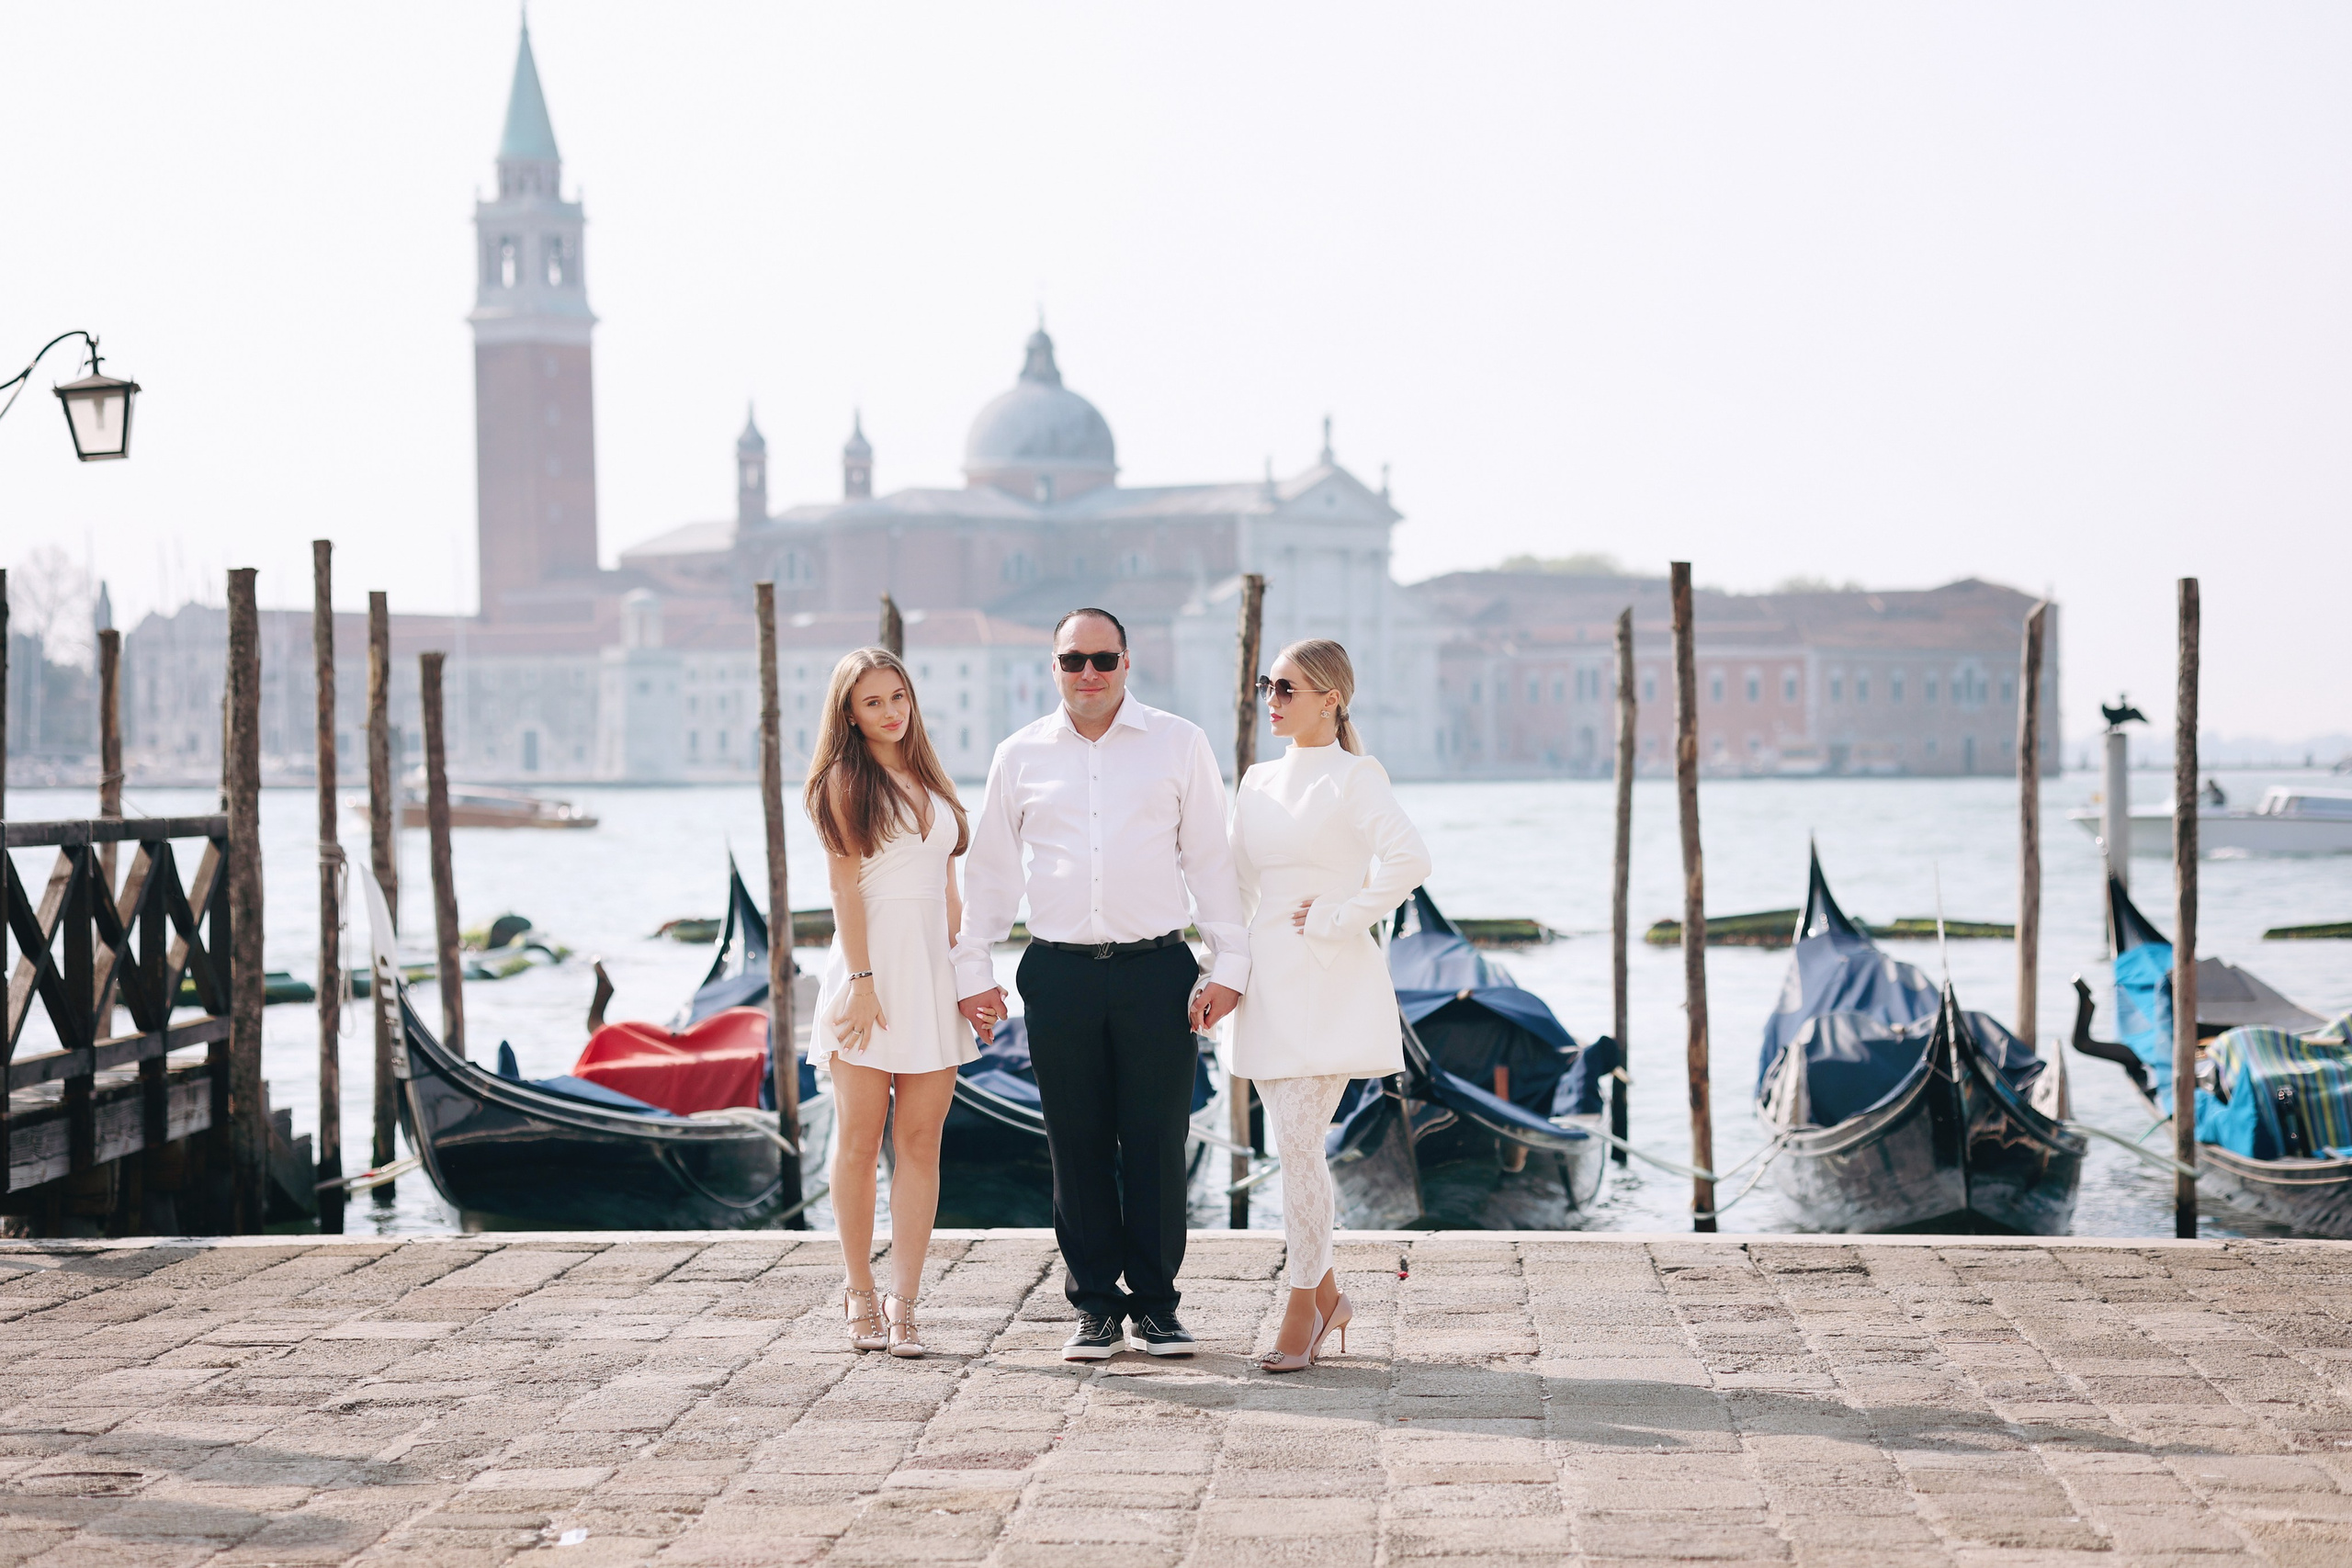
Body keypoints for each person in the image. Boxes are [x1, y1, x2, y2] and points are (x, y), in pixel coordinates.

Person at [954, 608, 1250, 1360]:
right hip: (1058, 972)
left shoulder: (1180, 742)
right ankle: (1094, 1308)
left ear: (1127, 662)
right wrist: (973, 969)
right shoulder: (1018, 754)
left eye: (1103, 659)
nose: (1089, 672)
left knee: (1157, 1141)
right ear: (1054, 666)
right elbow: (990, 873)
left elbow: (1210, 861)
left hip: (1158, 970)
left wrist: (1230, 964)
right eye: (1073, 659)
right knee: (1075, 1143)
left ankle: (1157, 1307)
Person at [1227, 637, 1430, 1372]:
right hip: (1267, 983)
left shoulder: (1355, 776)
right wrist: (1220, 970)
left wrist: (1340, 915)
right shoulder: (1256, 780)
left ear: (1330, 699)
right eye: (1267, 685)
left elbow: (1410, 859)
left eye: (1287, 687)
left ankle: (1301, 1307)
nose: (1272, 700)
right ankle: (1331, 1298)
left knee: (1298, 1145)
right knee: (1291, 1145)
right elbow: (1236, 887)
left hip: (1330, 978)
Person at [805, 647, 974, 1359]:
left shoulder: (930, 777)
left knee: (920, 1142)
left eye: (897, 695)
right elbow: (843, 890)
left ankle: (904, 1302)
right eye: (872, 702)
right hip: (867, 977)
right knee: (858, 1140)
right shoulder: (844, 782)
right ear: (849, 713)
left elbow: (949, 891)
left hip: (931, 977)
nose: (890, 711)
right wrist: (864, 980)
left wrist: (969, 978)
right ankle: (859, 1291)